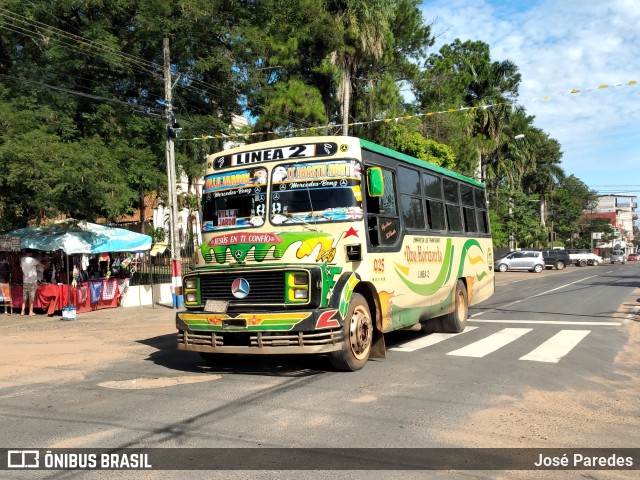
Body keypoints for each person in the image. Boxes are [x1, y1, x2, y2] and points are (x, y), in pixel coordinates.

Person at [20, 250, 40, 316]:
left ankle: (22, 311)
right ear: (31, 253)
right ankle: (30, 312)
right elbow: (40, 264)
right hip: (32, 281)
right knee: (31, 297)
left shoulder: (22, 259)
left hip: (25, 280)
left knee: (24, 297)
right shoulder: (33, 260)